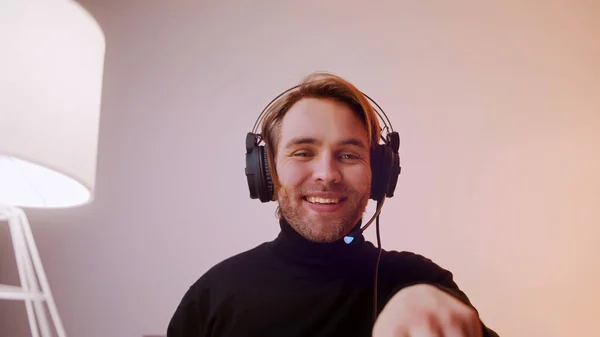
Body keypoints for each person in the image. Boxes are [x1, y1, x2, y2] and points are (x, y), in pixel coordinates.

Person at [166, 72, 499, 337]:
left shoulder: (421, 284)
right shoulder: (212, 295)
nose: (327, 174)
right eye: (302, 152)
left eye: (349, 155)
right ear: (266, 171)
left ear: (380, 173)